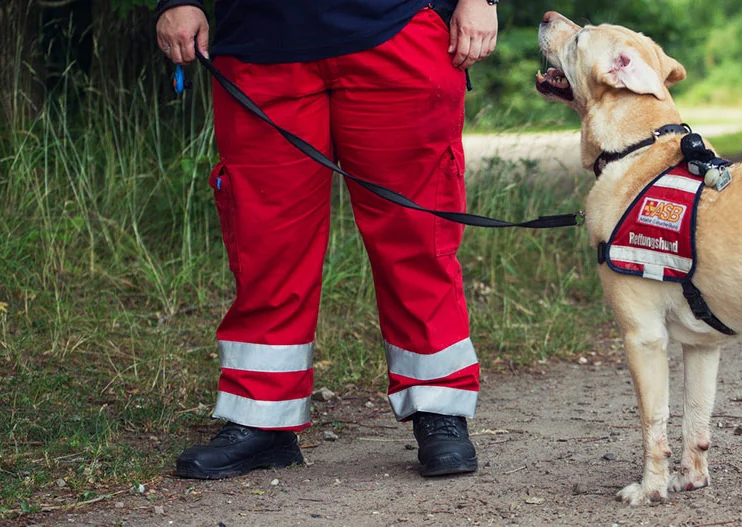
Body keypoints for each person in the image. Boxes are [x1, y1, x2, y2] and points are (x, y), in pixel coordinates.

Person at [155, 0, 498, 479]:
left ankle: (439, 406)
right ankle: (262, 419)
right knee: (265, 241)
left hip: (399, 26)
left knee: (417, 234)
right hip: (259, 38)